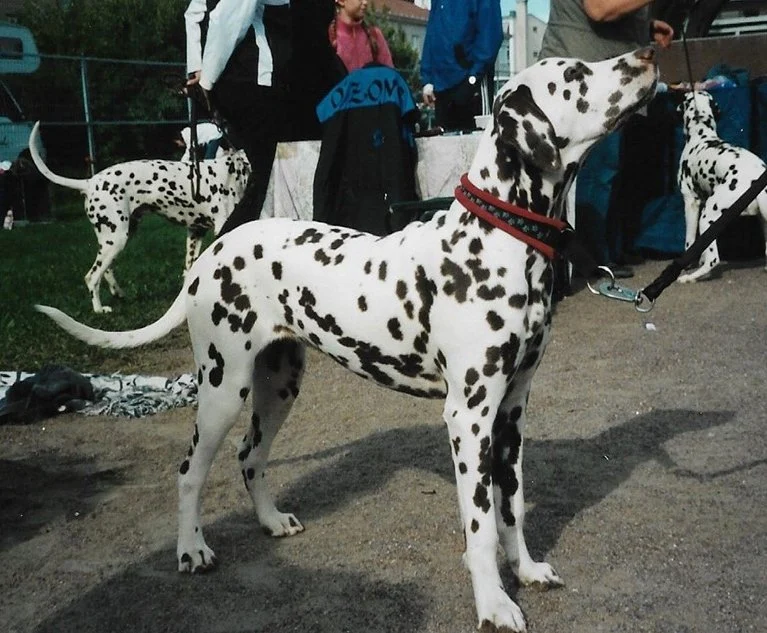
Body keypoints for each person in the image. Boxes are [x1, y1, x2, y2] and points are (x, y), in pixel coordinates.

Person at [539, 0, 674, 280]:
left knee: (610, 169)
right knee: (598, 171)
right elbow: (599, 9)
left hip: (599, 75)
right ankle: (593, 260)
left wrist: (645, 26)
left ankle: (608, 251)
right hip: (581, 79)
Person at [184, 0, 341, 234]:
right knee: (269, 180)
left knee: (269, 178)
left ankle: (251, 252)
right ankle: (224, 257)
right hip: (255, 81)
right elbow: (228, 17)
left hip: (250, 82)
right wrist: (206, 80)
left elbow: (195, 14)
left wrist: (198, 68)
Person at [420, 0, 503, 132]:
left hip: (471, 83)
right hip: (442, 87)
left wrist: (473, 78)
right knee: (446, 145)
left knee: (477, 142)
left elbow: (490, 36)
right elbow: (432, 32)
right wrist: (427, 79)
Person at [328, 0, 393, 72]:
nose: (365, 2)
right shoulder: (330, 36)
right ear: (341, 1)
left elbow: (390, 77)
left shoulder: (374, 35)